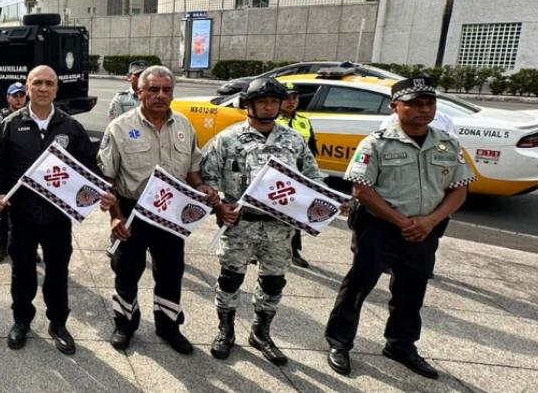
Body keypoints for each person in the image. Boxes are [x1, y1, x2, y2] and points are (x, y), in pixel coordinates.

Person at [325, 76, 473, 380]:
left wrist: (429, 222)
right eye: (414, 104)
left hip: (425, 230)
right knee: (358, 285)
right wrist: (402, 222)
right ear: (395, 107)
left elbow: (459, 189)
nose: (423, 110)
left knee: (411, 288)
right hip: (379, 227)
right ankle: (339, 342)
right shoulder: (376, 142)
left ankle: (401, 345)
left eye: (429, 103)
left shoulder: (447, 144)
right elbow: (361, 190)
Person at [0, 65, 108, 355]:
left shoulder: (70, 127)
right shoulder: (10, 124)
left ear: (56, 89)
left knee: (57, 273)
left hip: (57, 218)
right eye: (36, 82)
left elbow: (89, 168)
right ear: (27, 87)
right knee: (22, 273)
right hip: (22, 217)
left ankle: (58, 324)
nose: (42, 88)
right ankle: (21, 322)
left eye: (48, 83)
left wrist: (101, 191)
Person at [199, 77, 322, 366]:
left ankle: (261, 331)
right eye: (263, 102)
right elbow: (207, 180)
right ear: (248, 105)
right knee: (230, 279)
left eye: (274, 102)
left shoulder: (294, 140)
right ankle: (226, 329)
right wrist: (219, 206)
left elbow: (313, 178)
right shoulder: (227, 139)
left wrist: (322, 203)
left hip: (280, 228)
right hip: (240, 225)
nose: (269, 107)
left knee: (273, 281)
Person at [99, 66, 218, 354]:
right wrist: (115, 216)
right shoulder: (120, 127)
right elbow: (107, 179)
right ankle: (125, 324)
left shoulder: (184, 127)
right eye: (153, 89)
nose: (160, 95)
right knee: (126, 272)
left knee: (171, 272)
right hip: (133, 212)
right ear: (139, 92)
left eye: (166, 90)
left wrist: (202, 187)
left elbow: (192, 170)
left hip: (170, 213)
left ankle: (168, 326)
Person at [275, 81, 315, 269]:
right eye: (286, 98)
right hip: (274, 178)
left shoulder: (304, 122)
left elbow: (312, 150)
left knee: (295, 215)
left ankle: (294, 251)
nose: (291, 102)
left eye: (294, 97)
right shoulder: (271, 121)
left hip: (298, 178)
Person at [0, 82, 27, 263]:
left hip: (25, 174)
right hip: (5, 174)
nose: (18, 99)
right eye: (15, 95)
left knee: (28, 215)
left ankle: (30, 248)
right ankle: (2, 245)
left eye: (21, 95)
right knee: (3, 214)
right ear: (7, 97)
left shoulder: (31, 117)